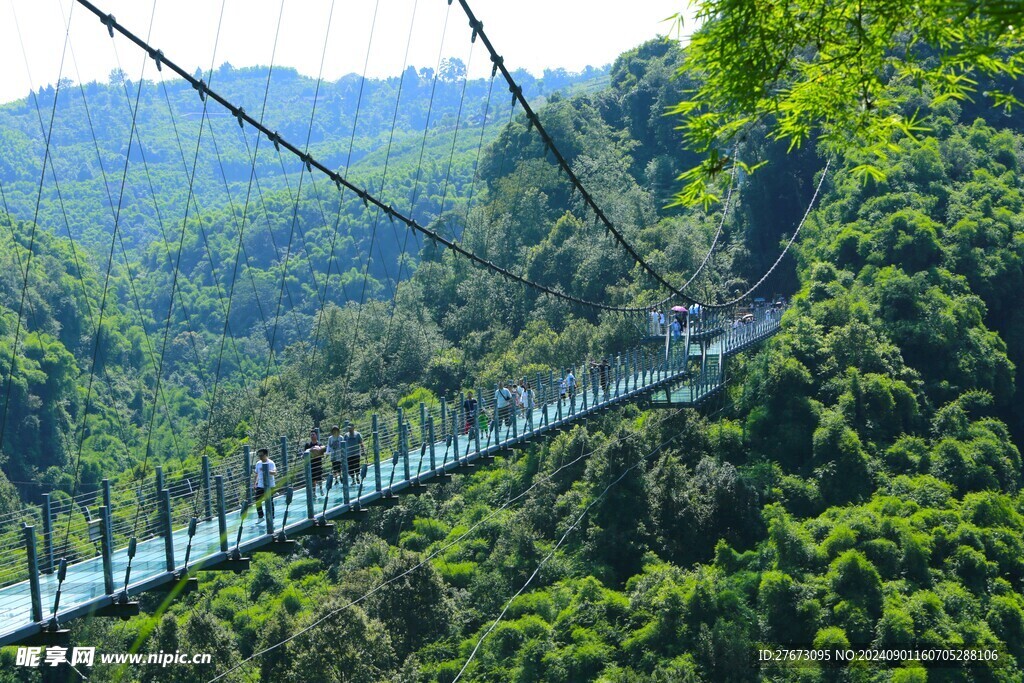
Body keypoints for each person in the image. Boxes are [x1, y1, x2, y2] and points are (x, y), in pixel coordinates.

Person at [250, 447, 276, 528]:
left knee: (269, 501)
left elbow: (274, 472)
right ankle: (260, 516)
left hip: (269, 486)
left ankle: (271, 517)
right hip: (260, 485)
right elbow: (256, 474)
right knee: (257, 500)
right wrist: (255, 483)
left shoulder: (271, 463)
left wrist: (266, 470)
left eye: (261, 455)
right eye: (259, 455)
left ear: (266, 455)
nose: (260, 457)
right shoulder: (258, 463)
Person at [304, 429, 326, 497]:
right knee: (313, 479)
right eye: (311, 435)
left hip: (318, 463)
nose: (312, 436)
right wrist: (311, 449)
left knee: (319, 478)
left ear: (316, 435)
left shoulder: (319, 444)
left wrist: (318, 449)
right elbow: (304, 453)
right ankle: (314, 492)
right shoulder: (308, 445)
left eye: (313, 434)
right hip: (311, 464)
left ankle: (321, 489)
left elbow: (323, 454)